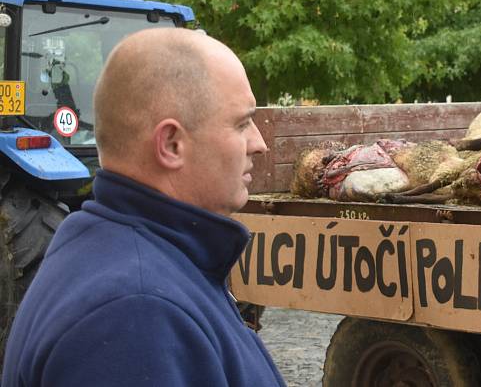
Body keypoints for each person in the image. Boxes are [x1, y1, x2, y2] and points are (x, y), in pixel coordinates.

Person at [2, 28, 286, 387]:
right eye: (242, 123)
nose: (258, 143)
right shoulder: (136, 314)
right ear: (171, 144)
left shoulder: (132, 258)